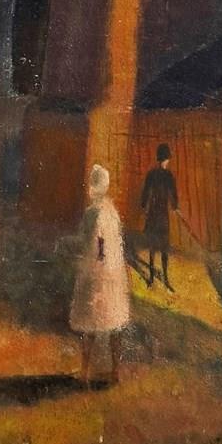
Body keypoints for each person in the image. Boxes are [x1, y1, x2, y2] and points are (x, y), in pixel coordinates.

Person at [69, 164, 130, 386]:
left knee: (91, 323)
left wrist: (76, 248)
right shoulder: (112, 212)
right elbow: (116, 242)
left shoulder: (91, 212)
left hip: (96, 270)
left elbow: (92, 241)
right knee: (114, 323)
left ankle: (85, 372)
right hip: (113, 272)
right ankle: (115, 371)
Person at [139, 142, 179, 291]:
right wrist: (175, 206)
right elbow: (173, 194)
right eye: (167, 159)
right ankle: (163, 278)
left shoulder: (153, 174)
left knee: (154, 247)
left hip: (155, 214)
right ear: (165, 159)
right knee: (162, 247)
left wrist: (144, 205)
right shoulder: (167, 175)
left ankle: (153, 278)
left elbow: (146, 193)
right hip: (161, 214)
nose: (168, 161)